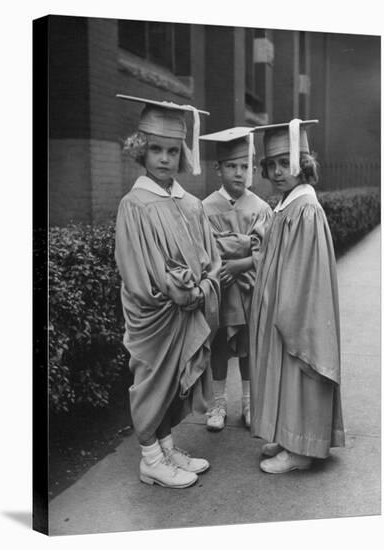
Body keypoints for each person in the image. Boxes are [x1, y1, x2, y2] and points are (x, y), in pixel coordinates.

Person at [114, 95, 221, 488]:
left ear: (182, 154)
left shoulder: (189, 203)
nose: (164, 158)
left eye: (172, 151)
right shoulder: (135, 205)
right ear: (141, 151)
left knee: (174, 382)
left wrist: (202, 285)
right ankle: (150, 461)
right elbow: (138, 272)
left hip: (186, 310)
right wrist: (183, 293)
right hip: (156, 314)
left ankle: (166, 448)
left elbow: (211, 258)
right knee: (155, 381)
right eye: (156, 149)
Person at [249, 119, 345, 473]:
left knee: (298, 364)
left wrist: (282, 311)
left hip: (297, 311)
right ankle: (289, 434)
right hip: (282, 306)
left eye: (285, 162)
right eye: (271, 164)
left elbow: (303, 274)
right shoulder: (289, 205)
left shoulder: (305, 210)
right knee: (284, 371)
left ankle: (302, 448)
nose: (276, 172)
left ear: (303, 163)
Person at [200, 127, 272, 431]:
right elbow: (204, 251)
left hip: (248, 289)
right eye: (231, 166)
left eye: (244, 167)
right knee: (218, 346)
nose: (238, 173)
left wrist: (241, 260)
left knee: (247, 347)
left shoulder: (261, 208)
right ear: (218, 168)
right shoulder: (204, 208)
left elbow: (266, 252)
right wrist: (242, 246)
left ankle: (248, 402)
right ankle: (217, 404)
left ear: (253, 169)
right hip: (220, 290)